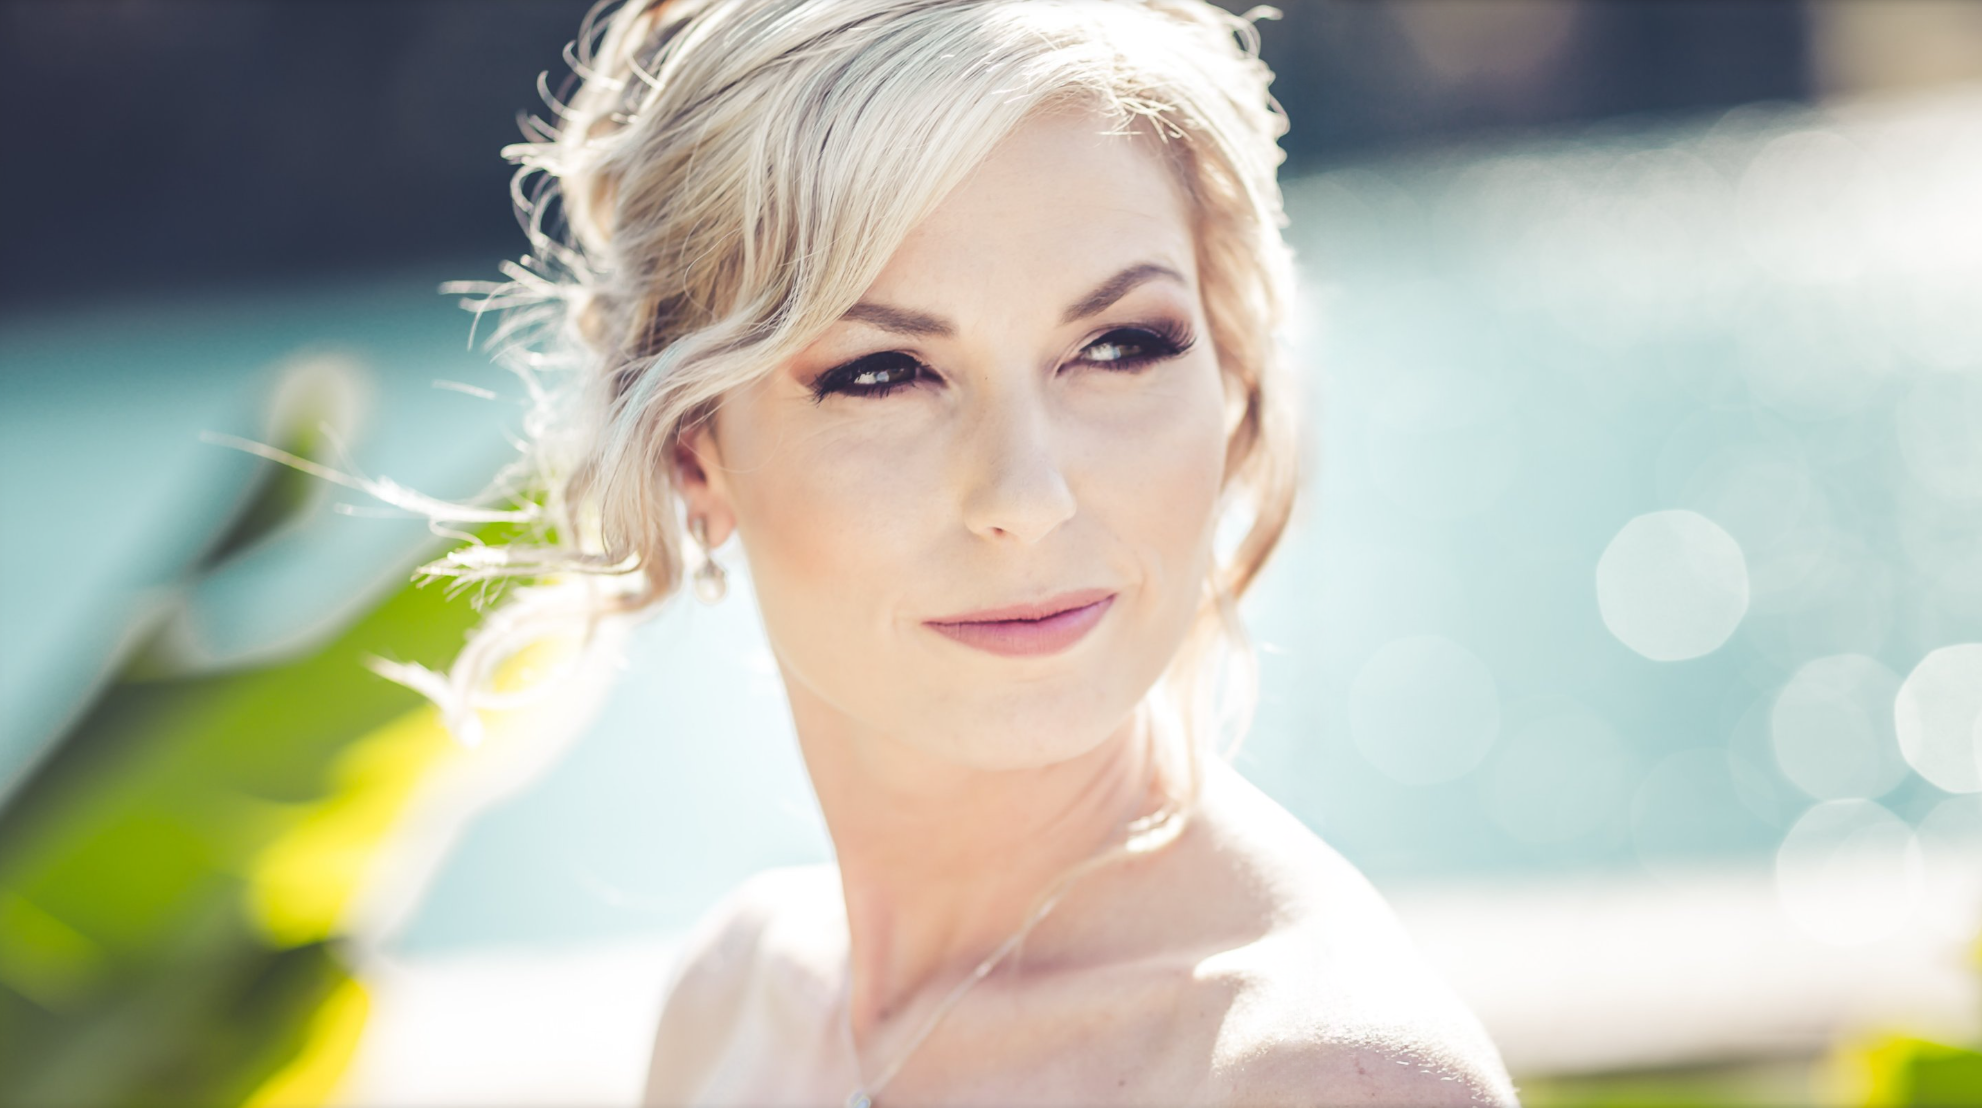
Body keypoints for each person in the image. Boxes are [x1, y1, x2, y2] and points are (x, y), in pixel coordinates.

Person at [431, 0, 1516, 1103]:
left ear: (1230, 379)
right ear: (692, 450)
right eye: (884, 372)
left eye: (1117, 347)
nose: (1024, 498)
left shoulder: (1315, 1074)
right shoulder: (732, 1005)